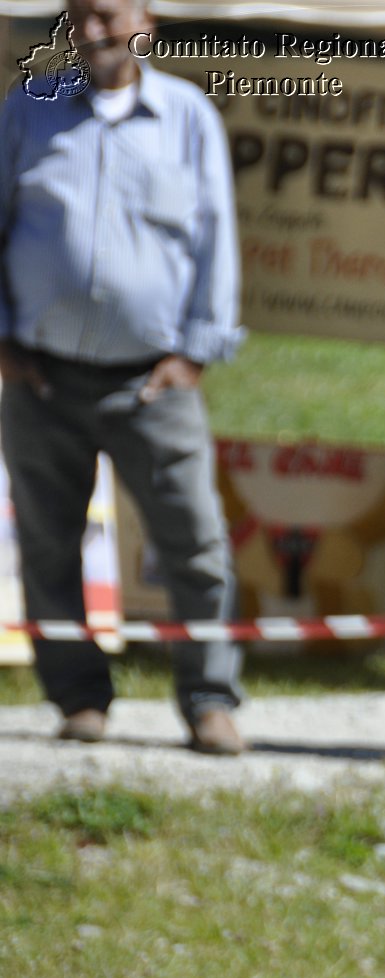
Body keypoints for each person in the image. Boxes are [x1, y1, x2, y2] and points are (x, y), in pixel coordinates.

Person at [0, 0, 247, 756]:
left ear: (148, 21)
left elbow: (216, 240)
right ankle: (79, 697)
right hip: (43, 377)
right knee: (48, 544)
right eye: (78, 16)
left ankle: (209, 700)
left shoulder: (187, 116)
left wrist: (194, 354)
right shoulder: (26, 111)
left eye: (107, 14)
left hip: (154, 382)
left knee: (196, 546)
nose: (92, 31)